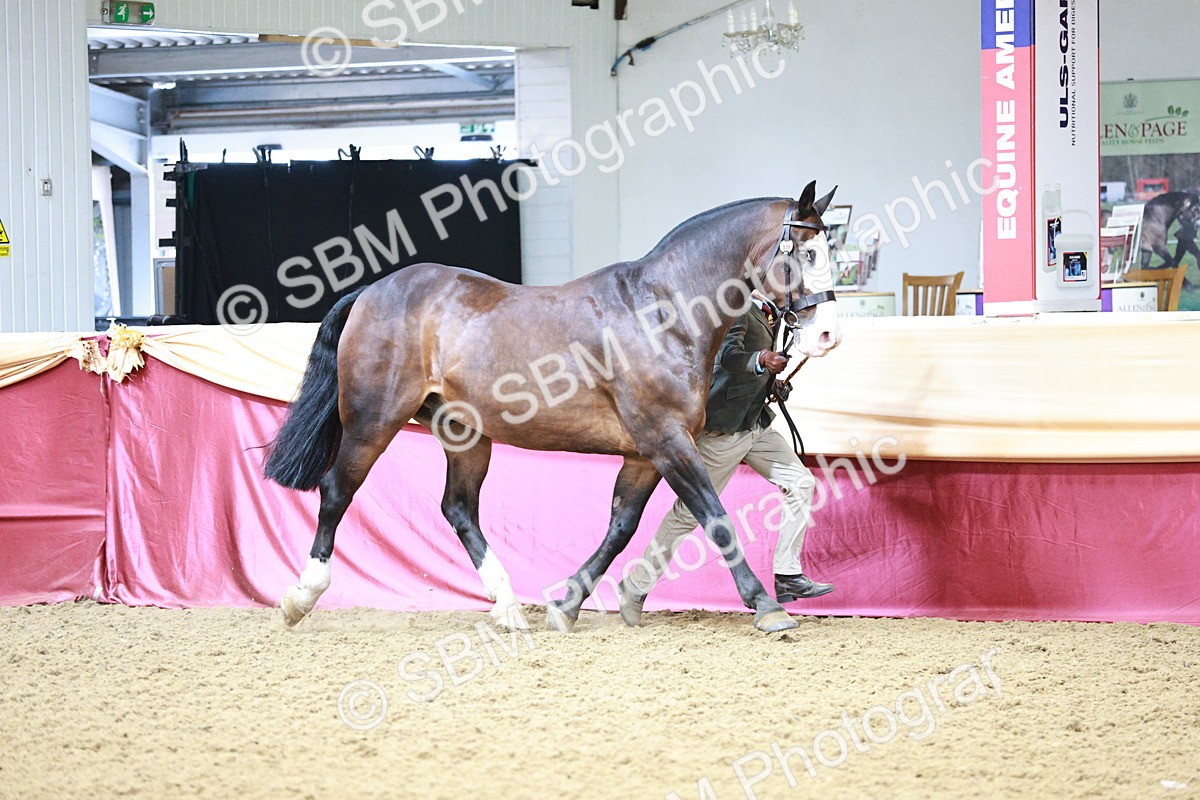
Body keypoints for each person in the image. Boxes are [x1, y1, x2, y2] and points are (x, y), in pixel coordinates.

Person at [617, 294, 833, 626]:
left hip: (755, 423)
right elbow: (727, 356)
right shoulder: (736, 308)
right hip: (725, 431)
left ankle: (788, 574)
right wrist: (761, 359)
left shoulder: (771, 313)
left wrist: (770, 383)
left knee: (801, 483)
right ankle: (636, 586)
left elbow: (751, 369)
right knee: (687, 514)